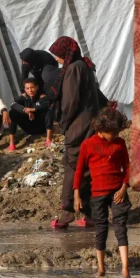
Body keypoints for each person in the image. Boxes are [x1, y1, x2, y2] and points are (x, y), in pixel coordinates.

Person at [49, 36, 101, 229]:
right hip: (90, 123)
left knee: (73, 165)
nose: (57, 60)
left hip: (79, 126)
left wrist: (63, 123)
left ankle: (67, 211)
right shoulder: (85, 66)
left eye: (58, 56)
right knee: (87, 169)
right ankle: (90, 213)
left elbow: (70, 102)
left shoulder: (73, 69)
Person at [73, 107, 131, 278]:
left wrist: (123, 187)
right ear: (100, 129)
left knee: (120, 226)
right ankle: (101, 267)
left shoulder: (120, 143)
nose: (115, 136)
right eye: (112, 133)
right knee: (101, 228)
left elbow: (127, 166)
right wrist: (76, 194)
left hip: (117, 191)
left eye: (117, 132)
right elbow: (79, 170)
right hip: (97, 193)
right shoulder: (88, 145)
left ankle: (125, 268)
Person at [7, 78, 51, 151]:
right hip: (29, 127)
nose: (30, 90)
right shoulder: (24, 97)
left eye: (32, 87)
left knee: (48, 111)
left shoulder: (42, 96)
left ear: (37, 87)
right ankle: (12, 144)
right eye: (27, 88)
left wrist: (33, 109)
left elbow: (47, 104)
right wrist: (26, 111)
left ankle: (48, 139)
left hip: (42, 127)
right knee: (12, 112)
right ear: (25, 89)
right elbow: (13, 104)